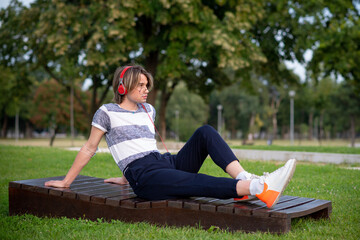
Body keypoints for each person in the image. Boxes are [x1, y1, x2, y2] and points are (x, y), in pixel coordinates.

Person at [45, 65, 296, 208]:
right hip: (144, 174)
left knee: (205, 132)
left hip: (164, 162)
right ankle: (259, 188)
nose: (146, 90)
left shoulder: (148, 110)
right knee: (195, 182)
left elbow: (137, 145)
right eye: (141, 85)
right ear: (123, 87)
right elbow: (90, 148)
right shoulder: (106, 112)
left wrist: (122, 178)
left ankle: (245, 177)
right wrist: (67, 182)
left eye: (147, 85)